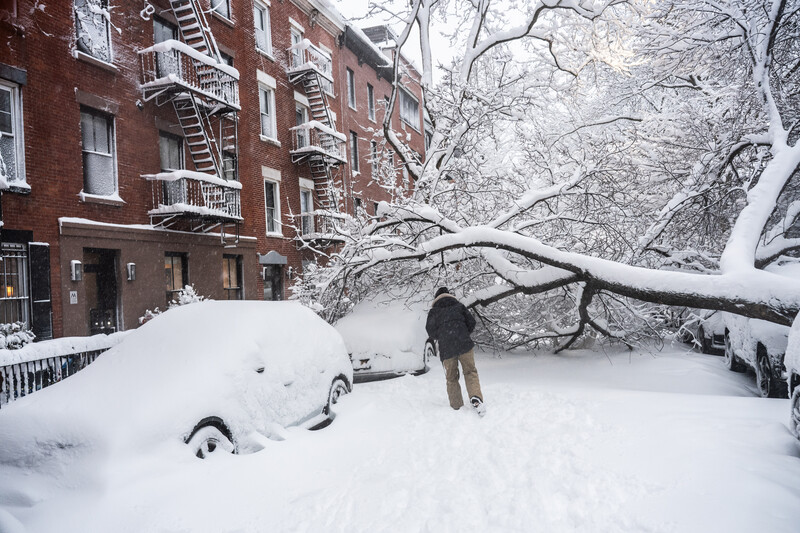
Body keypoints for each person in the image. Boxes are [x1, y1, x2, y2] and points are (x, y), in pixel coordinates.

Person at [425, 286, 486, 415]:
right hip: (464, 344)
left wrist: (442, 336)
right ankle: (475, 398)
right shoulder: (459, 306)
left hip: (447, 348)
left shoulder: (434, 312)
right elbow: (471, 322)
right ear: (449, 295)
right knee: (470, 371)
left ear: (436, 298)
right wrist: (463, 333)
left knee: (451, 377)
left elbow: (430, 331)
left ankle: (456, 405)